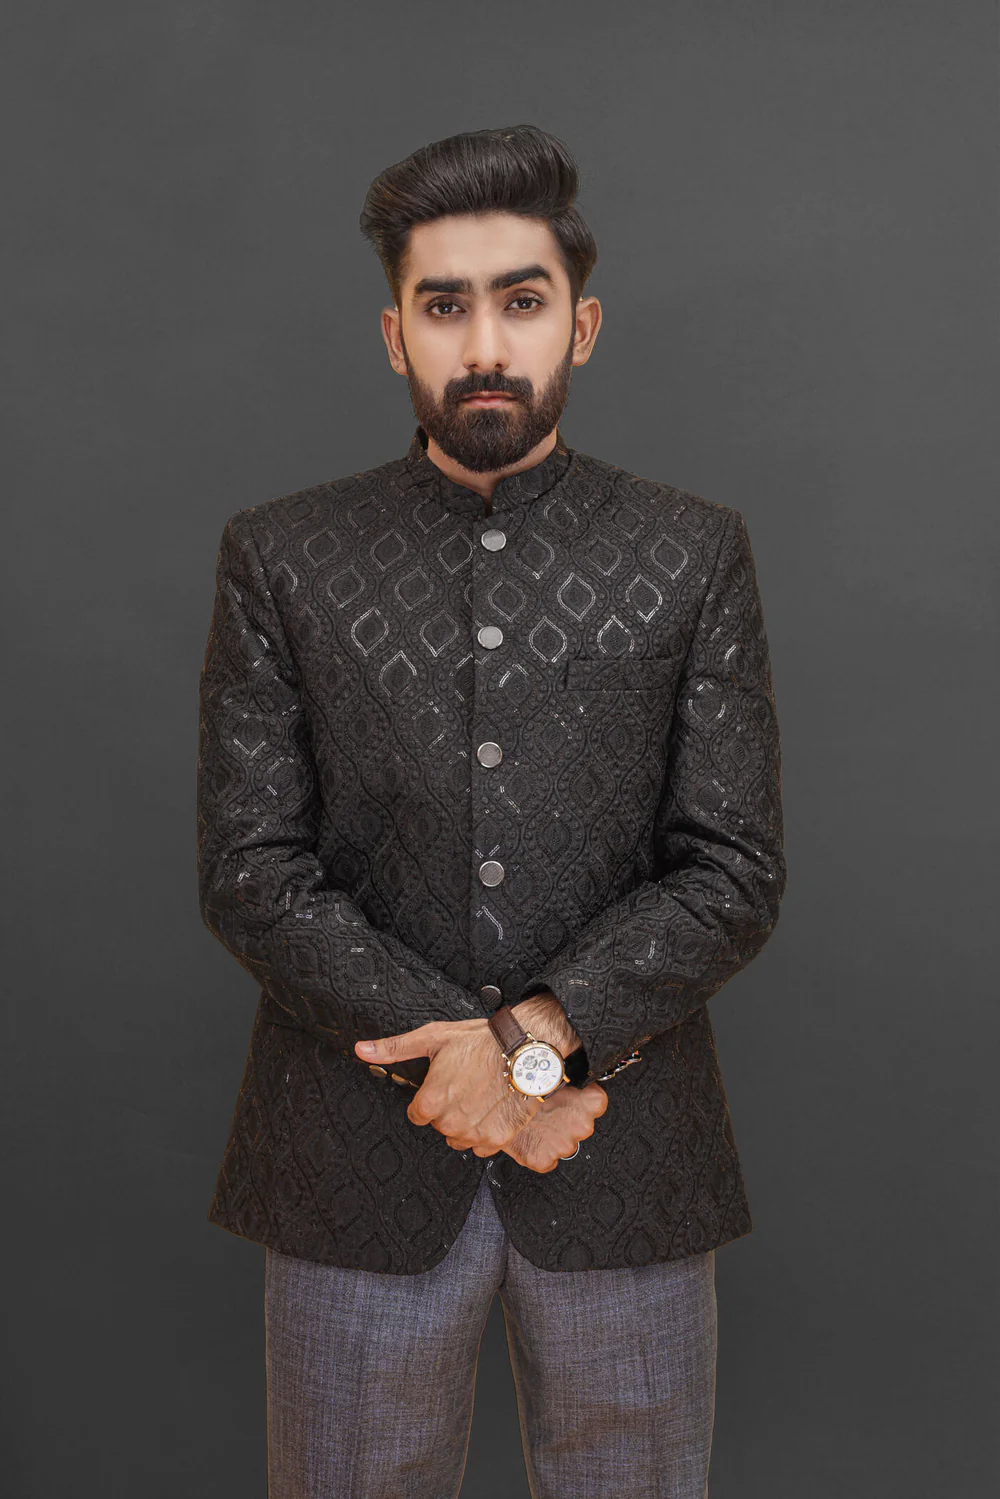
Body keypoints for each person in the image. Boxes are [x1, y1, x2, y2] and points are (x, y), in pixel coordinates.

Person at [197, 123, 786, 1499]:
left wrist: (529, 1043)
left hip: (627, 1162)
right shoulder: (281, 555)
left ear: (581, 323)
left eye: (520, 301)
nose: (483, 345)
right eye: (443, 305)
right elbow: (251, 866)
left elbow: (732, 868)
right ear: (391, 332)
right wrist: (463, 1070)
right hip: (348, 1171)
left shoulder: (691, 552)